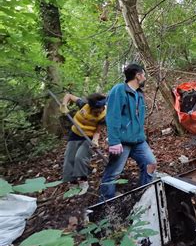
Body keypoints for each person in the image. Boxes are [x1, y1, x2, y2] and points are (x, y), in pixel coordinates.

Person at [100, 63, 157, 200]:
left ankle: (144, 197)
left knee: (150, 164)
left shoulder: (139, 94)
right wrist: (114, 141)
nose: (144, 78)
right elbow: (113, 116)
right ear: (138, 76)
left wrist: (142, 136)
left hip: (138, 141)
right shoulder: (119, 90)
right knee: (113, 173)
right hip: (122, 141)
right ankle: (106, 202)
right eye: (143, 75)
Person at [61, 92, 107, 194]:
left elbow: (98, 131)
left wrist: (95, 141)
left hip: (89, 137)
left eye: (100, 110)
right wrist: (64, 105)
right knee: (69, 157)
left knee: (80, 157)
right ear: (91, 107)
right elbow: (68, 95)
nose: (98, 113)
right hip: (75, 134)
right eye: (95, 111)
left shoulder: (104, 115)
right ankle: (72, 182)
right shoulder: (83, 105)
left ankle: (83, 181)